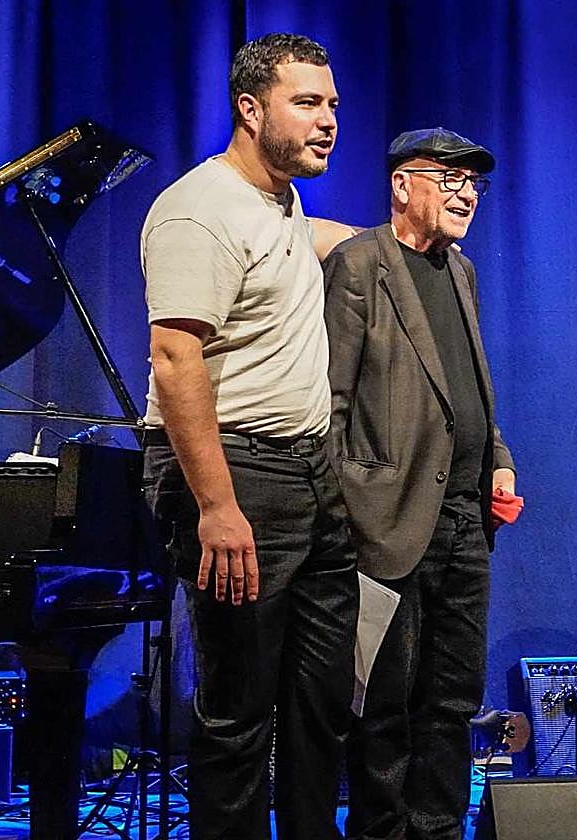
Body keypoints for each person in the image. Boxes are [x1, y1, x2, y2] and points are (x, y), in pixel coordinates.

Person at [140, 33, 357, 840]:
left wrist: (390, 238)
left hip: (309, 476)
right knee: (239, 714)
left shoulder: (277, 199)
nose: (329, 120)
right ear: (249, 108)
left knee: (319, 703)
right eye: (308, 103)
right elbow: (174, 357)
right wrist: (218, 508)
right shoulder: (202, 211)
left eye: (333, 103)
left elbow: (298, 242)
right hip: (237, 475)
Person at [323, 127, 517, 840]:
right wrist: (351, 511)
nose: (467, 192)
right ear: (403, 184)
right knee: (387, 702)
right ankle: (380, 832)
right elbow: (331, 404)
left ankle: (438, 829)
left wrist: (497, 453)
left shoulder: (461, 271)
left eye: (475, 182)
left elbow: (469, 384)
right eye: (450, 178)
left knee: (454, 695)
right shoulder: (358, 264)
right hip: (388, 521)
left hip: (464, 520)